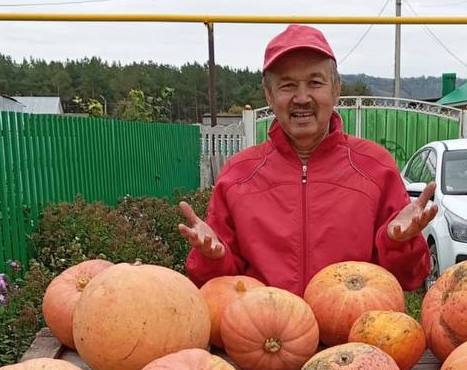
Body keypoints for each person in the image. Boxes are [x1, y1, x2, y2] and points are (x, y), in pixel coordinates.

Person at [178, 24, 437, 295]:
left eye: (315, 83)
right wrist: (212, 257)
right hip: (263, 331)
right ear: (269, 95)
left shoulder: (376, 167)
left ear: (336, 90)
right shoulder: (237, 176)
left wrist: (399, 243)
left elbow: (409, 279)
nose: (302, 98)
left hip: (355, 333)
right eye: (287, 85)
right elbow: (218, 287)